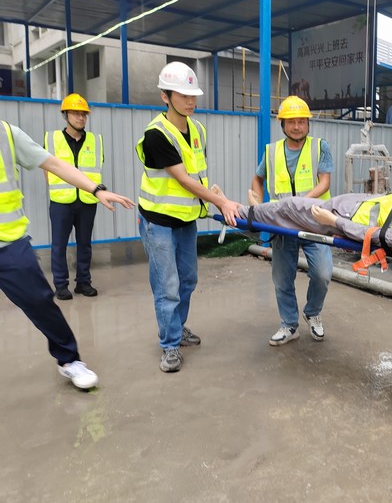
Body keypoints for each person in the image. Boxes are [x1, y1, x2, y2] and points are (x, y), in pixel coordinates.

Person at [0, 118, 134, 390]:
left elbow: (56, 165)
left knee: (40, 302)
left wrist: (96, 189)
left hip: (9, 243)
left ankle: (69, 359)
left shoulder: (6, 134)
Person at [136, 61, 242, 374]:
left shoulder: (197, 130)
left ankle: (177, 327)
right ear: (165, 96)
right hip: (158, 221)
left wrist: (214, 193)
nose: (190, 100)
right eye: (183, 95)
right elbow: (182, 179)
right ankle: (169, 345)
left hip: (186, 219)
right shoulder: (157, 134)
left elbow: (196, 175)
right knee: (167, 285)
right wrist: (221, 201)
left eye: (193, 95)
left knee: (188, 279)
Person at [213, 186, 392, 262]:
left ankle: (238, 210)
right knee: (286, 213)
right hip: (359, 203)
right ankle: (256, 210)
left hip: (344, 216)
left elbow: (376, 236)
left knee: (290, 208)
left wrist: (334, 221)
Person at [251, 95, 334, 347]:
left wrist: (299, 204)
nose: (297, 126)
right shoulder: (272, 151)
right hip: (282, 225)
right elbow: (258, 178)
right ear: (283, 125)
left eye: (301, 121)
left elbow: (324, 183)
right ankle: (289, 324)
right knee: (282, 278)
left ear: (308, 124)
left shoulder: (320, 147)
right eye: (291, 122)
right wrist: (258, 205)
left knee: (322, 273)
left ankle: (312, 312)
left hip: (314, 222)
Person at [44, 94, 103, 300]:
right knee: (59, 245)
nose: (81, 117)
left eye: (84, 114)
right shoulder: (52, 139)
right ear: (65, 115)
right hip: (61, 201)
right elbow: (46, 169)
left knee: (84, 243)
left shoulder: (95, 141)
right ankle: (61, 285)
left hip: (87, 201)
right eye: (76, 113)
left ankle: (83, 282)